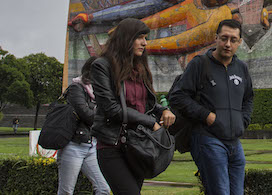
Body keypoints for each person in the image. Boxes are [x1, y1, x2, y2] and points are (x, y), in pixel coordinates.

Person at [91, 18, 176, 194]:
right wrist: (150, 122)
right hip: (112, 146)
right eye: (140, 38)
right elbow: (112, 109)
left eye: (145, 38)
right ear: (126, 38)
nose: (144, 43)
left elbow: (148, 104)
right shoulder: (102, 66)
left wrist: (164, 110)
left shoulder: (140, 68)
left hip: (137, 146)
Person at [169, 19, 254, 195]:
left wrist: (243, 120)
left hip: (234, 142)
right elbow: (178, 96)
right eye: (224, 38)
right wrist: (207, 116)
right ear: (216, 38)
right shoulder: (200, 64)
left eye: (233, 39)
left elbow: (248, 99)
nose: (228, 44)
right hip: (207, 138)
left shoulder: (241, 68)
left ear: (239, 42)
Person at [57, 57, 110, 195]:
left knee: (103, 189)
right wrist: (107, 116)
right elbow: (85, 114)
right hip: (74, 144)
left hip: (91, 145)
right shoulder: (76, 88)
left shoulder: (101, 91)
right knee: (66, 191)